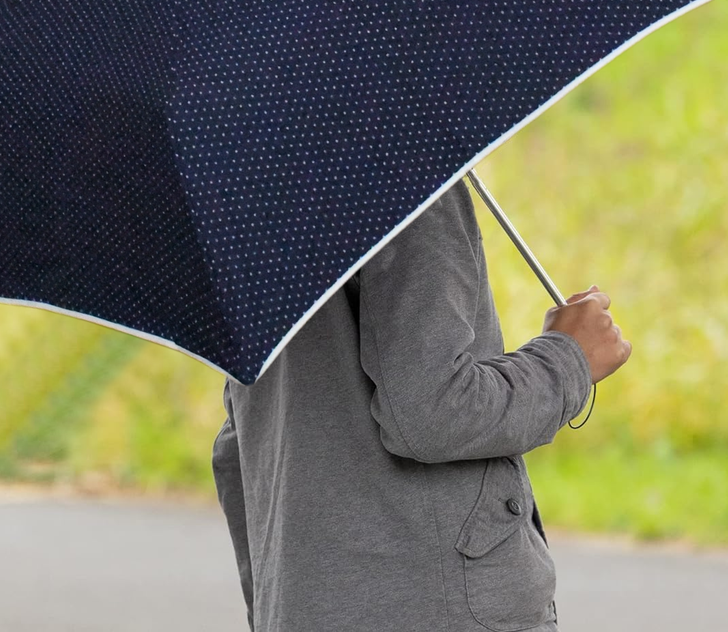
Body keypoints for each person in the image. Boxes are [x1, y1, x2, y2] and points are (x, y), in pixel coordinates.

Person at [211, 174, 632, 632]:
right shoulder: (403, 173)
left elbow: (238, 447)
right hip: (437, 608)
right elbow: (434, 414)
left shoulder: (242, 190)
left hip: (299, 606)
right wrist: (568, 359)